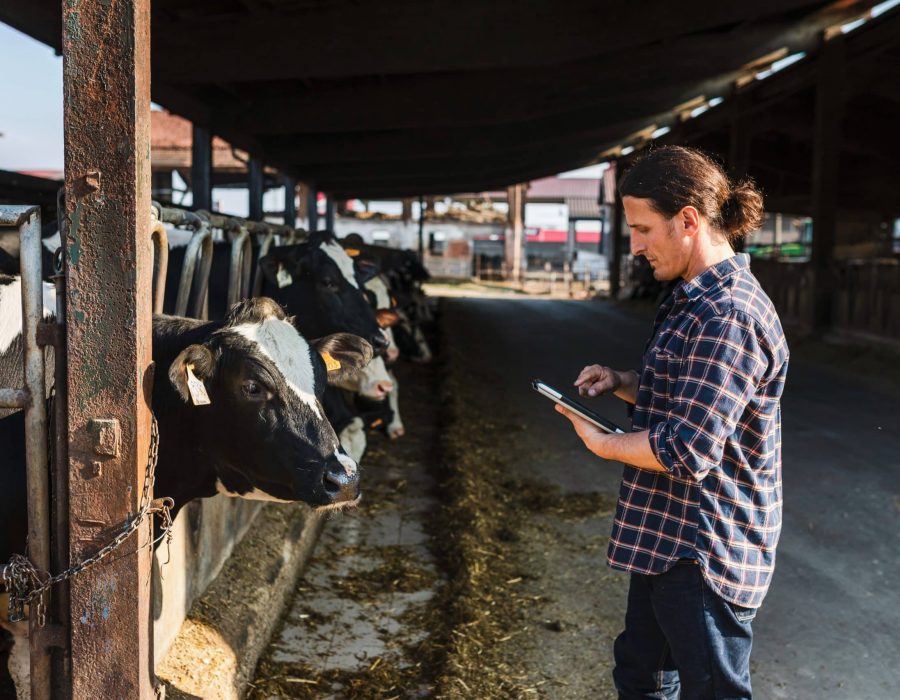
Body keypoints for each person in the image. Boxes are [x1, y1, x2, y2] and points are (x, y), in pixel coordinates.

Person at [555, 146, 789, 700]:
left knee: (712, 690)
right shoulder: (693, 299)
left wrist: (605, 443)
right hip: (668, 538)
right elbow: (695, 395)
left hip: (703, 549)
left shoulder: (726, 313)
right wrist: (621, 380)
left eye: (642, 229)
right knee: (641, 674)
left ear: (688, 220)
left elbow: (687, 449)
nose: (634, 246)